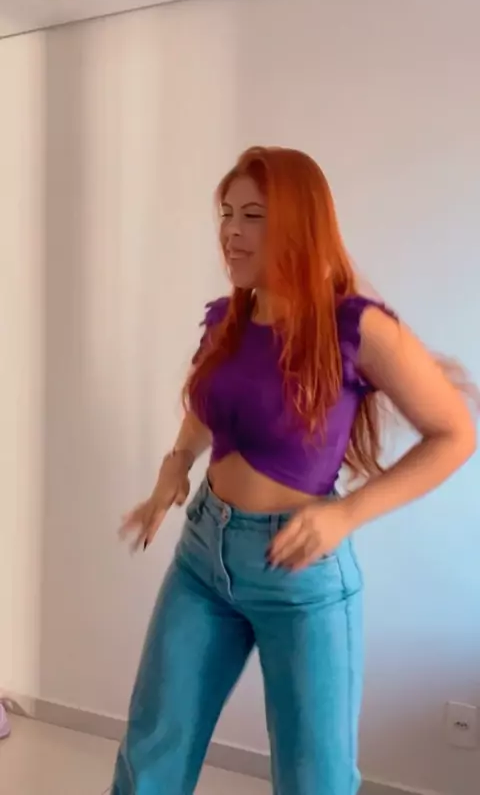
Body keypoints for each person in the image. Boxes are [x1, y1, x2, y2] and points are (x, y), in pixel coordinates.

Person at [111, 147, 476, 795]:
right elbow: (208, 407)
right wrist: (175, 466)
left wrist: (347, 513)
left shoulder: (356, 327)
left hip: (302, 576)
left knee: (316, 780)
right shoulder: (228, 319)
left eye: (252, 215)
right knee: (151, 756)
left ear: (300, 225)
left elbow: (455, 435)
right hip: (203, 557)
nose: (231, 231)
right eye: (226, 213)